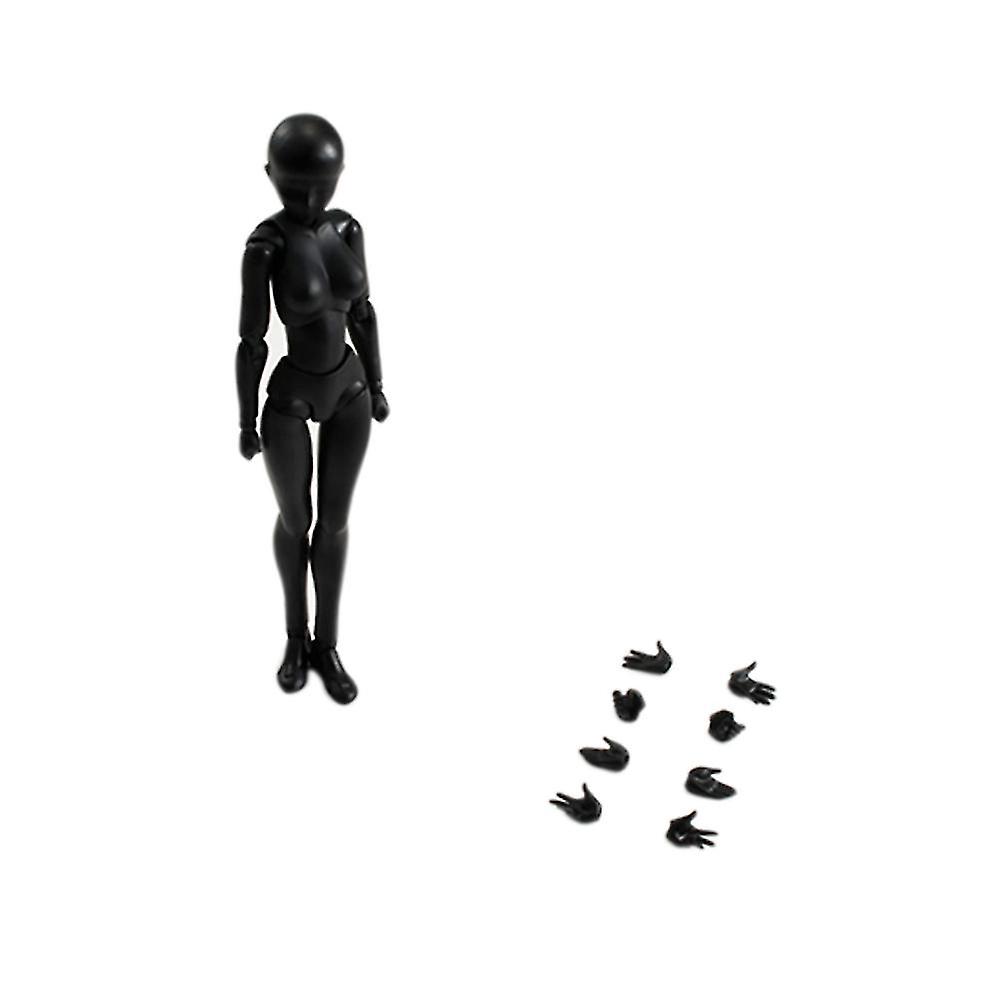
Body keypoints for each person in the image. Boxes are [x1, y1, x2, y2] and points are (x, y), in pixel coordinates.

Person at [236, 114, 389, 704]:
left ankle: (328, 644)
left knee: (336, 521)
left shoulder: (347, 228)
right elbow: (252, 341)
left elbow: (364, 312)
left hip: (349, 389)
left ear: (340, 176)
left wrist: (378, 382)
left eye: (322, 185)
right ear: (270, 175)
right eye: (295, 186)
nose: (308, 199)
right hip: (291, 397)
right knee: (295, 520)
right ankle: (295, 639)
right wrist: (245, 418)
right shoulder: (265, 246)